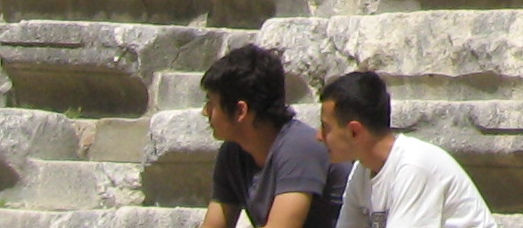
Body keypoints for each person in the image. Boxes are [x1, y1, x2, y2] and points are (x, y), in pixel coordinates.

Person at [317, 70, 496, 228]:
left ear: (354, 131)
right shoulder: (362, 170)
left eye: (326, 128)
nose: (318, 136)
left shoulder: (413, 166)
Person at [199, 44, 345, 228]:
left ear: (240, 111)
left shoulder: (299, 148)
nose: (205, 112)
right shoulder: (232, 153)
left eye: (211, 103)